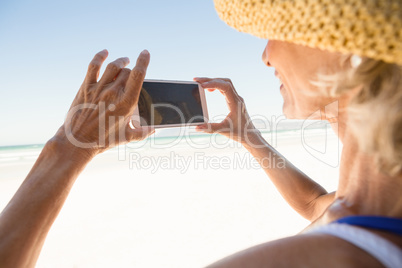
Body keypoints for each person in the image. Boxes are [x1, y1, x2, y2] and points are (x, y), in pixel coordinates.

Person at [0, 0, 401, 267]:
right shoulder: (375, 213)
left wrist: (68, 147)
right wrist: (249, 137)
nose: (265, 54)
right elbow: (319, 205)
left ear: (354, 51)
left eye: (282, 32)